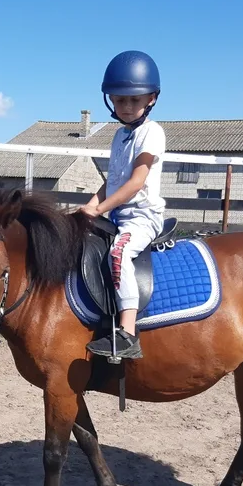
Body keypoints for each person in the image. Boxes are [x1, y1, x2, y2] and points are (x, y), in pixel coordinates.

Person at [80, 50, 166, 360]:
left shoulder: (152, 133)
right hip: (118, 213)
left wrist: (100, 210)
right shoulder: (119, 136)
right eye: (120, 100)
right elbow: (113, 182)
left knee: (119, 251)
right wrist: (88, 207)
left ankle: (127, 334)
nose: (126, 107)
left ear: (151, 98)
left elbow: (135, 183)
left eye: (134, 100)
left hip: (142, 216)